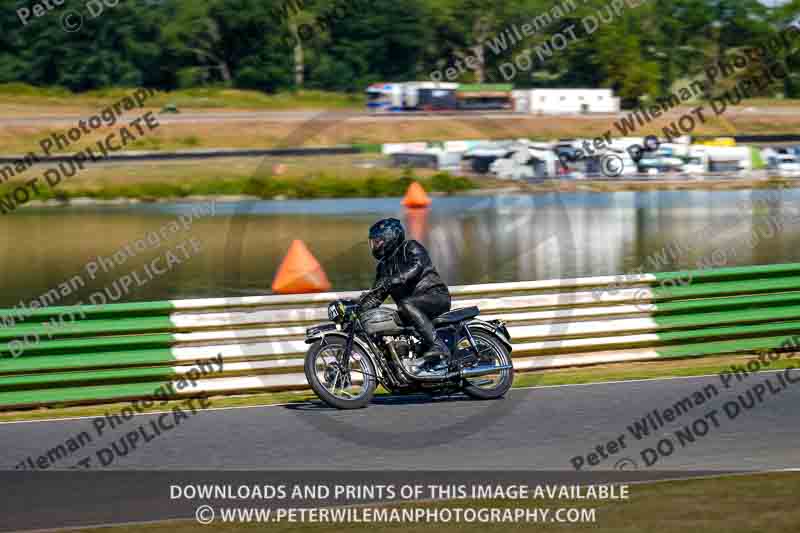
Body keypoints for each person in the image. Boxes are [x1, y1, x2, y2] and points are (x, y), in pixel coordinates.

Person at [359, 218, 451, 374]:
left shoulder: (410, 247)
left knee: (405, 304)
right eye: (373, 242)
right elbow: (377, 295)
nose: (375, 245)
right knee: (390, 318)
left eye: (378, 241)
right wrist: (358, 307)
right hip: (410, 307)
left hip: (435, 296)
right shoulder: (383, 266)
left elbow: (415, 267)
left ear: (390, 238)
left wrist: (392, 280)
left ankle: (438, 345)